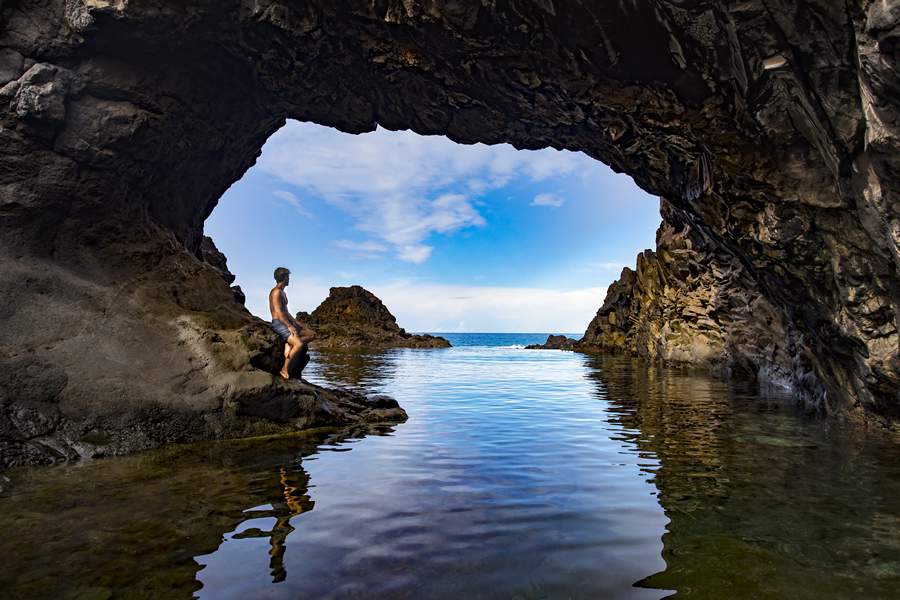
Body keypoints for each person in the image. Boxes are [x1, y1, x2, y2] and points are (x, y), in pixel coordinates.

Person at [269, 267, 316, 380]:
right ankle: (284, 370)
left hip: (286, 321)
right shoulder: (276, 292)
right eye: (288, 277)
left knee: (312, 334)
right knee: (299, 344)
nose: (289, 279)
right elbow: (279, 313)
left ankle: (289, 344)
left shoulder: (283, 292)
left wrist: (297, 323)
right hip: (279, 323)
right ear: (284, 278)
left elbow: (286, 312)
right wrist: (289, 326)